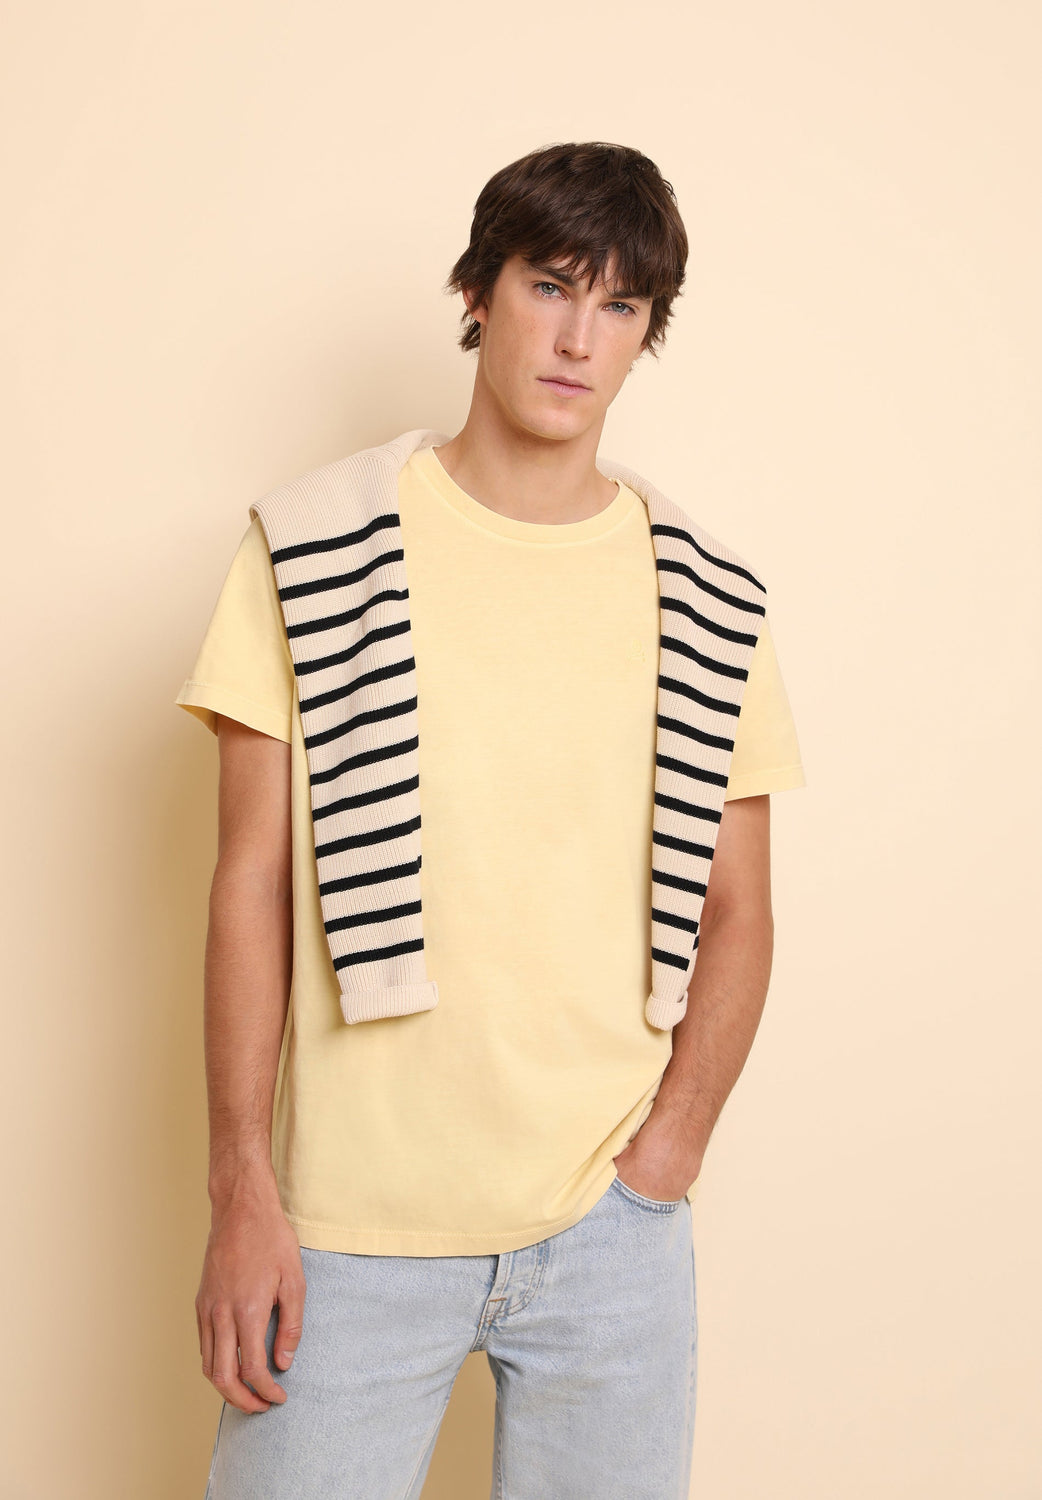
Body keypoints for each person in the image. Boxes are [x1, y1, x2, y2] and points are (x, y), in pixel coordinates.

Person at [175, 140, 805, 1500]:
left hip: (608, 1232)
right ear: (477, 289)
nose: (579, 339)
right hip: (347, 1230)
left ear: (646, 334)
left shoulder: (707, 596)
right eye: (550, 286)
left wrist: (665, 1160)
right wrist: (240, 1186)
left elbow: (739, 909)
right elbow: (249, 882)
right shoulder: (313, 545)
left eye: (620, 306)